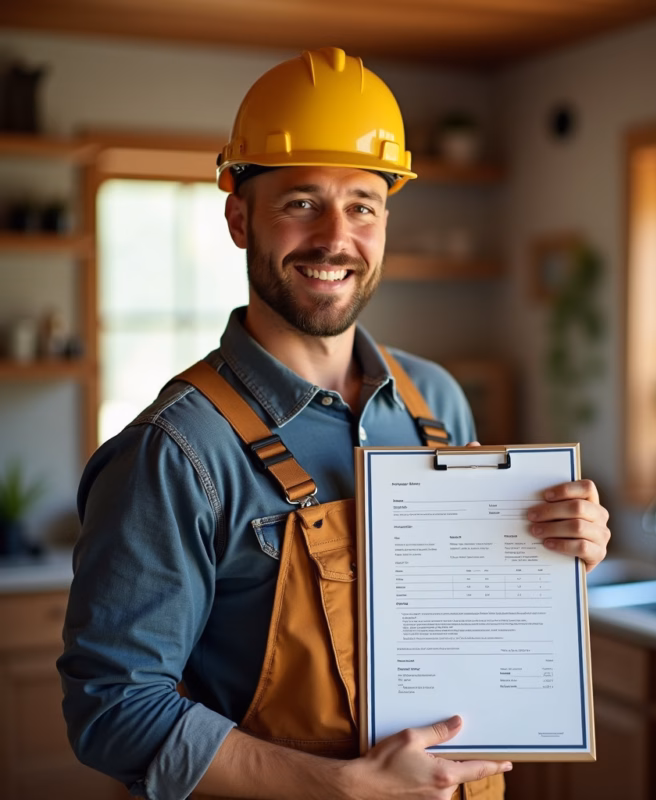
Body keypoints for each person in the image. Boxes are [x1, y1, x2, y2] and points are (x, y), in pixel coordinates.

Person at [58, 46, 610, 800]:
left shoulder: (436, 403)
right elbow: (113, 708)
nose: (335, 238)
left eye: (362, 205)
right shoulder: (176, 452)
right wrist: (341, 786)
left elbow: (466, 621)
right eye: (301, 202)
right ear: (238, 216)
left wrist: (554, 552)